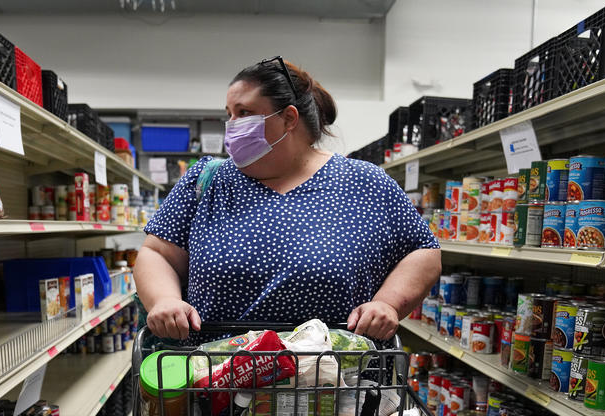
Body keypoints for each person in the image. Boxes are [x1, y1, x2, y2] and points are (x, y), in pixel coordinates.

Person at [134, 56, 442, 341]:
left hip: (333, 384)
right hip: (215, 382)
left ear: (289, 118)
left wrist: (387, 304)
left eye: (244, 113)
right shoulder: (207, 181)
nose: (232, 126)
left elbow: (423, 252)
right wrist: (165, 299)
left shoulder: (364, 183)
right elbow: (157, 253)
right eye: (229, 115)